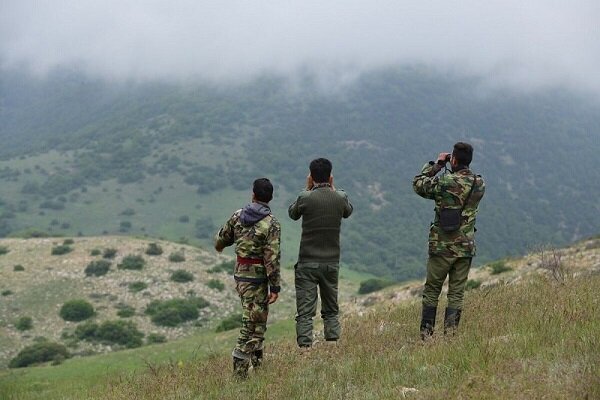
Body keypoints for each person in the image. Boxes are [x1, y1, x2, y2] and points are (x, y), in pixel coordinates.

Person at [412, 142, 485, 339]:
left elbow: (418, 183)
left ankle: (426, 336)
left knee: (432, 291)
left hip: (442, 247)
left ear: (453, 159)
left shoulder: (445, 183)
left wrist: (435, 165)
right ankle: (450, 336)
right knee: (456, 293)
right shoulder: (479, 184)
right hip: (465, 248)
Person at [214, 178, 281, 379]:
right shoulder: (271, 223)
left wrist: (220, 247)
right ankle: (240, 376)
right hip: (258, 278)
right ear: (270, 198)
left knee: (255, 320)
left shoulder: (237, 216)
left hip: (241, 275)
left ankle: (258, 368)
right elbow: (272, 257)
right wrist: (275, 287)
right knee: (252, 324)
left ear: (253, 195)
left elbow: (221, 239)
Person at [288, 158, 353, 348]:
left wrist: (308, 189)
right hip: (331, 262)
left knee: (305, 312)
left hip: (307, 262)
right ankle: (332, 346)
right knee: (331, 309)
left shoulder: (305, 197)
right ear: (331, 177)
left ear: (311, 176)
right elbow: (348, 211)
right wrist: (332, 188)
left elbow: (292, 213)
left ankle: (305, 350)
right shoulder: (340, 197)